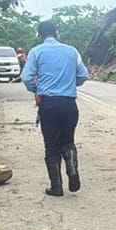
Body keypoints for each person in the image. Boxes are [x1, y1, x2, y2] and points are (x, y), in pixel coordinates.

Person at [20, 21, 89, 196]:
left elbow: (26, 77)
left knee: (51, 146)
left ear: (39, 35)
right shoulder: (72, 51)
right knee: (68, 141)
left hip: (49, 104)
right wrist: (71, 84)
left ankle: (56, 186)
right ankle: (72, 169)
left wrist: (38, 89)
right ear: (57, 33)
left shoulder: (37, 52)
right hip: (69, 103)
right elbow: (83, 75)